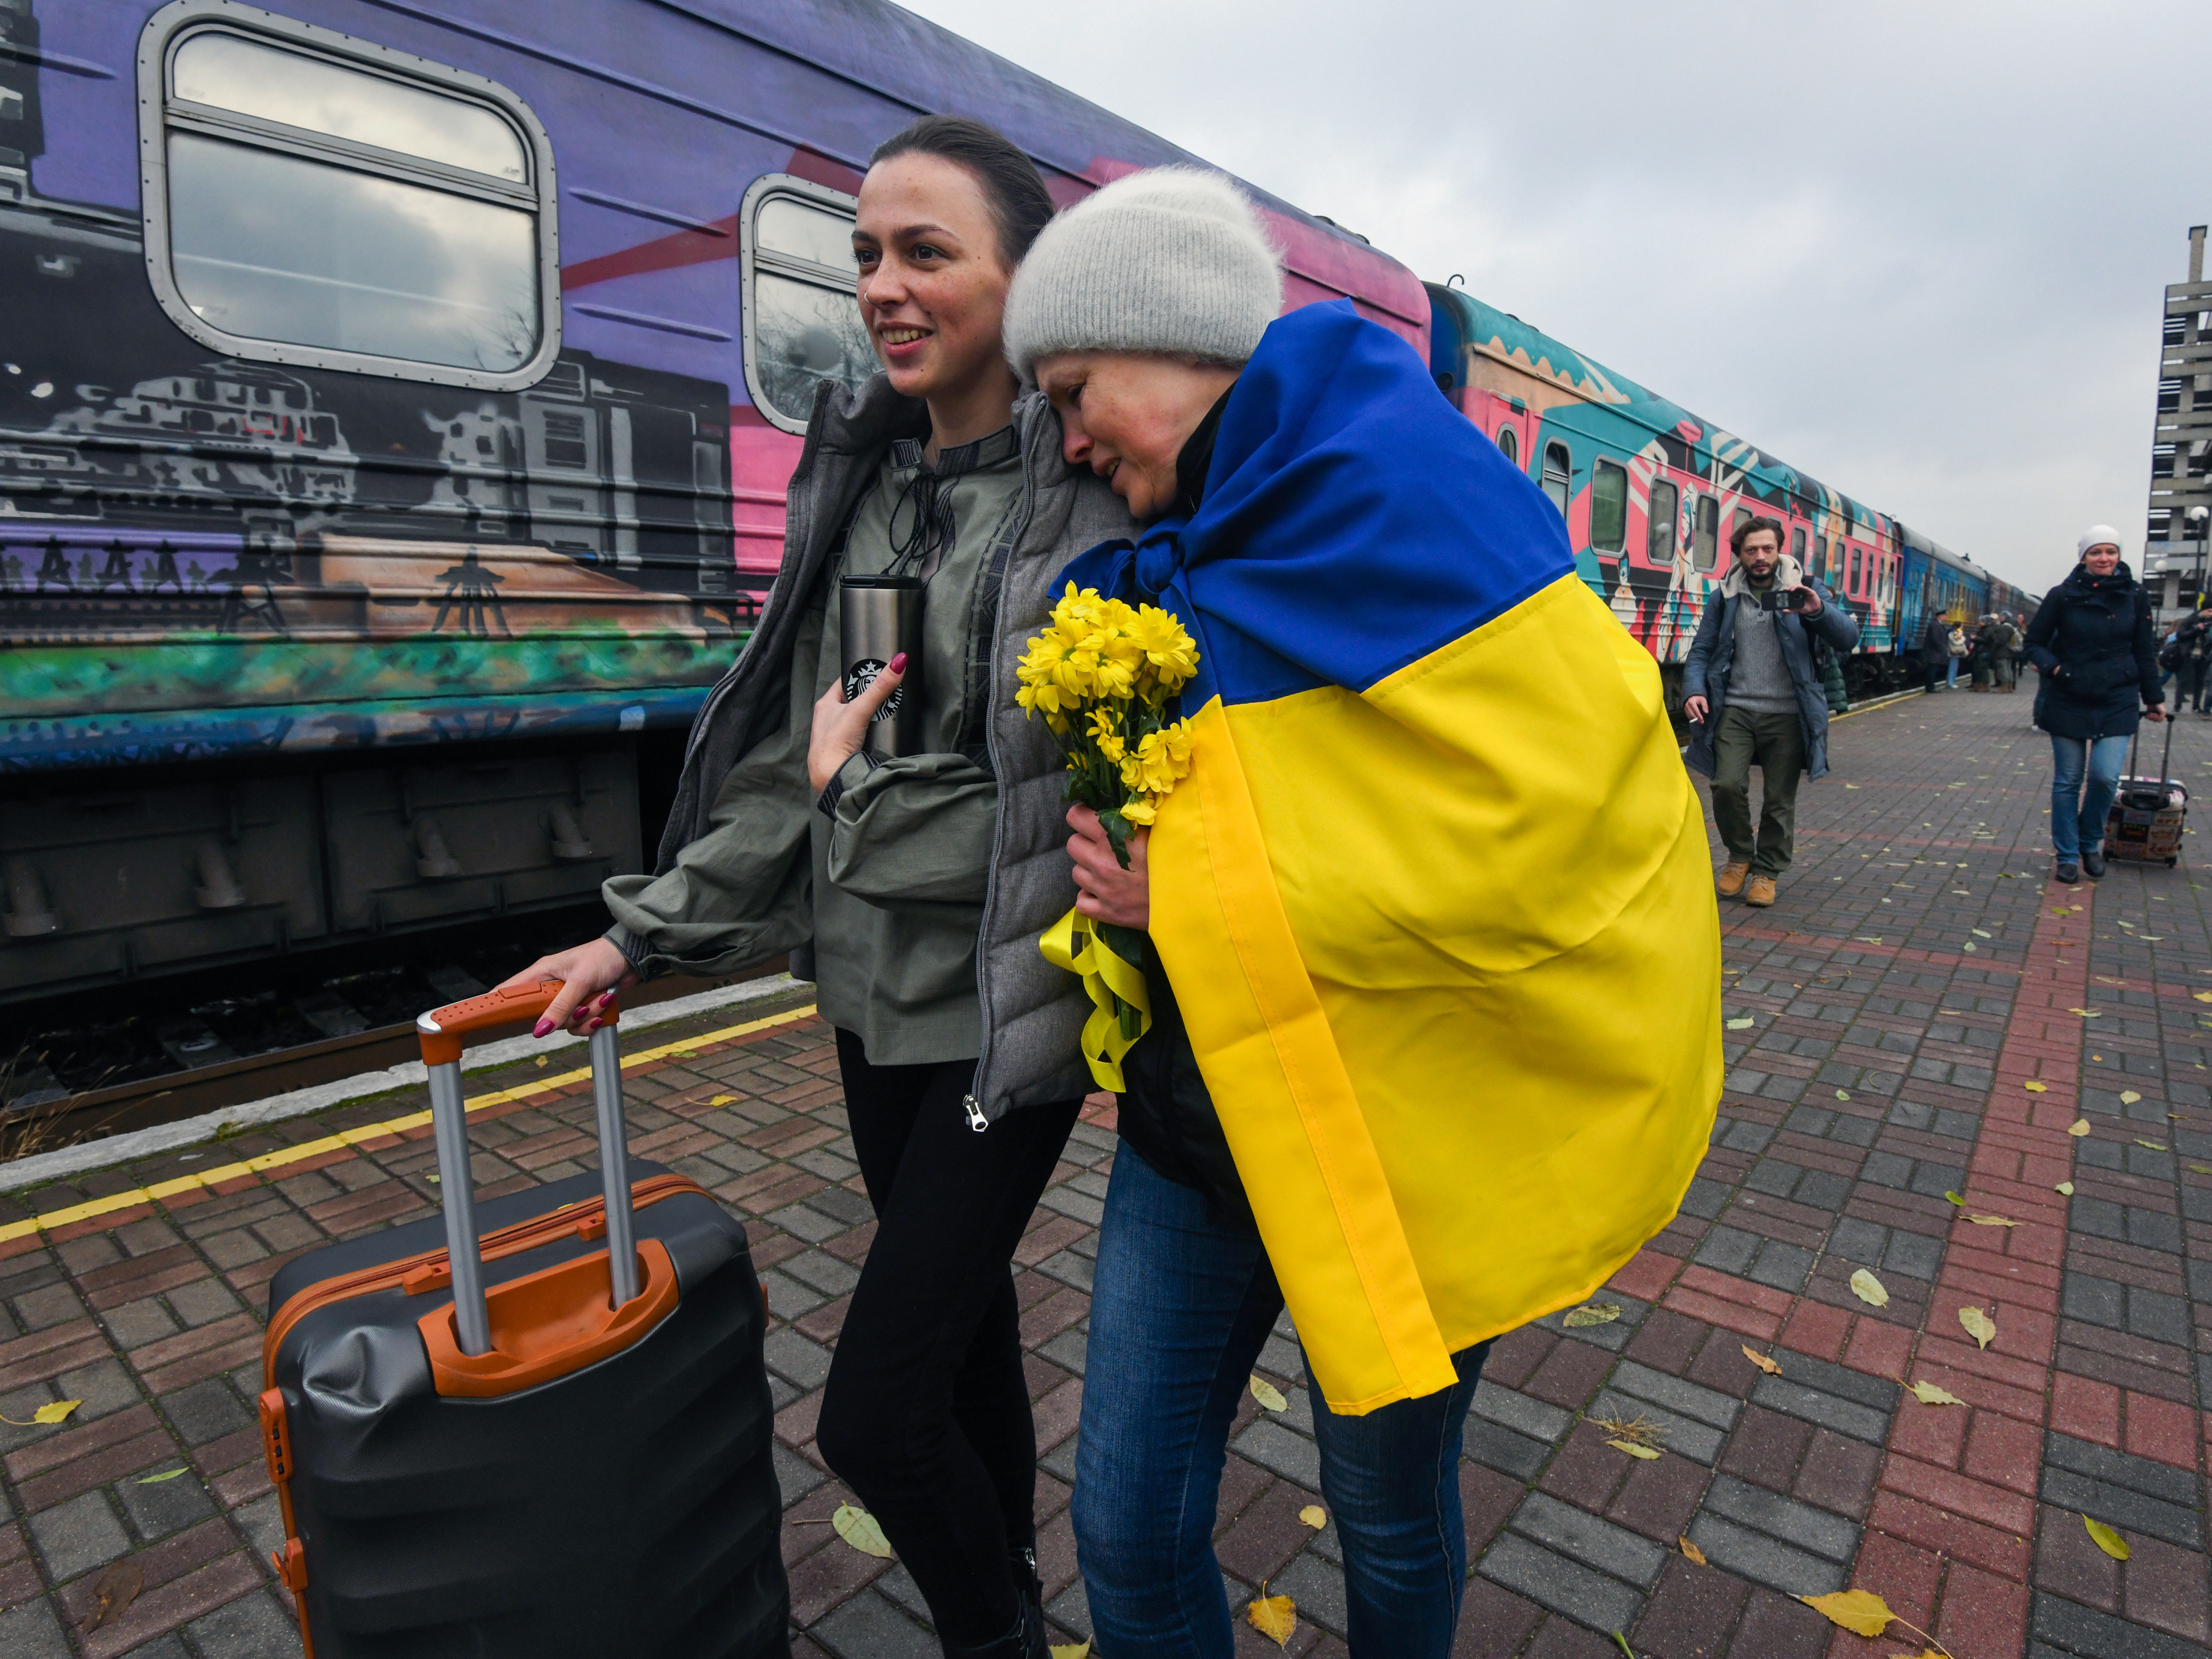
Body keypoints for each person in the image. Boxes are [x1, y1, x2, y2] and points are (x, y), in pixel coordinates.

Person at [1001, 170, 1721, 1659]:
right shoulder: (1167, 542)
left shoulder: (1401, 485)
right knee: (1124, 1527)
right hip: (1196, 1130)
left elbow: (1564, 820)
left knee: (1384, 1512)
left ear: (1176, 345)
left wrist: (1178, 886)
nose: (1066, 435)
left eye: (1075, 389)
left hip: (1396, 1136)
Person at [495, 117, 1135, 1659]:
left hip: (1007, 1017)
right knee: (964, 1332)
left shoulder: (1099, 500)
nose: (882, 288)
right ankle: (1020, 1587)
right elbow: (803, 758)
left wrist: (877, 794)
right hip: (864, 998)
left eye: (926, 252)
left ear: (1021, 275)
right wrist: (632, 935)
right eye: (863, 256)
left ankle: (991, 1632)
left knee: (873, 1409)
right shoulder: (861, 485)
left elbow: (1068, 786)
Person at [1681, 517, 1860, 908]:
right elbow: (1701, 650)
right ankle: (1740, 856)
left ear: (1779, 550)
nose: (1759, 557)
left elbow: (1848, 636)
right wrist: (1693, 689)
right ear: (1739, 555)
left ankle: (1767, 871)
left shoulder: (1807, 589)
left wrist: (1818, 611)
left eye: (1767, 549)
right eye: (1750, 550)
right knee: (1725, 784)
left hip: (1788, 713)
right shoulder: (1725, 596)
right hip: (1737, 708)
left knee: (1779, 799)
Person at [2022, 527, 2164, 884]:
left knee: (2104, 777)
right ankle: (2068, 855)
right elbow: (2034, 642)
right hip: (2070, 694)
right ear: (2084, 557)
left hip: (2117, 697)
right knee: (2068, 781)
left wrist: (2154, 697)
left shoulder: (2136, 596)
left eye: (2111, 552)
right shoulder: (2063, 596)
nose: (2104, 558)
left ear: (2119, 556)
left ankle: (2090, 843)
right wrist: (2055, 668)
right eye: (2096, 552)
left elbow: (2144, 650)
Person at [1991, 610, 2024, 692]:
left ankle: (2004, 687)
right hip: (2009, 651)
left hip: (2003, 651)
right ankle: (2009, 687)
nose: (1999, 618)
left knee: (2003, 669)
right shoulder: (2012, 625)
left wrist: (1994, 646)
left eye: (2000, 616)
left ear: (2004, 617)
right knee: (2008, 668)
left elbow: (2002, 640)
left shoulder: (2005, 627)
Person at [1922, 609, 1951, 692]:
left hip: (1935, 652)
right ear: (1940, 616)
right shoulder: (1935, 625)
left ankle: (1931, 687)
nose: (1946, 617)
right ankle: (1930, 688)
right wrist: (1941, 649)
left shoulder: (1937, 624)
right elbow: (1935, 639)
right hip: (1933, 652)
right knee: (1932, 671)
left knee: (1933, 670)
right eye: (1945, 616)